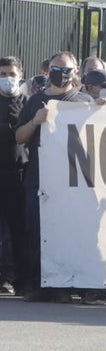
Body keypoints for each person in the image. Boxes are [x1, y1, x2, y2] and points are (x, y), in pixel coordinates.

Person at [15, 52, 94, 303]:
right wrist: (36, 122)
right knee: (37, 229)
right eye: (56, 69)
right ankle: (40, 284)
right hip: (39, 176)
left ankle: (65, 285)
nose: (62, 74)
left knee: (66, 229)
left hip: (71, 178)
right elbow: (19, 137)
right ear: (48, 71)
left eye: (67, 69)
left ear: (75, 72)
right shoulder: (35, 100)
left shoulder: (83, 100)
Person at [0, 56, 28, 294]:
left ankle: (18, 277)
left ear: (21, 75)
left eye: (11, 74)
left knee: (18, 228)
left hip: (18, 174)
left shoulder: (29, 103)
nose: (7, 79)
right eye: (2, 74)